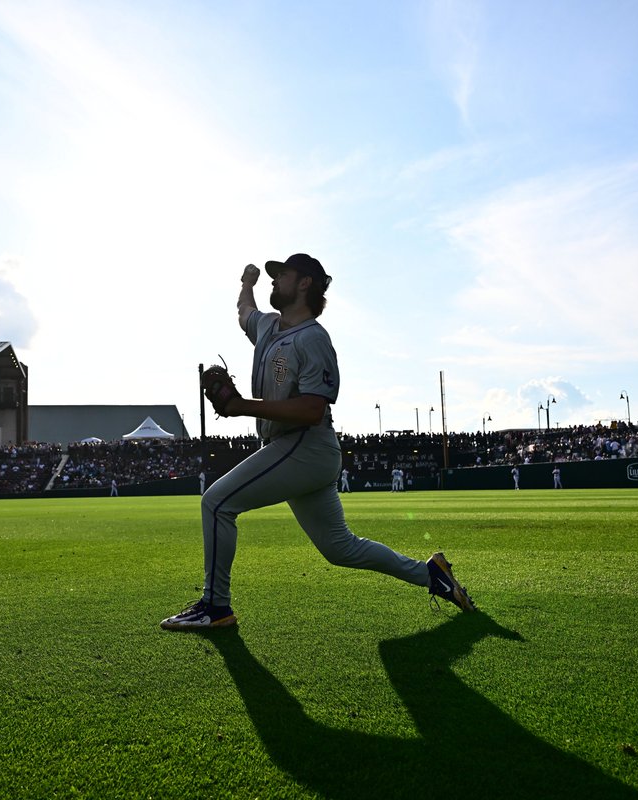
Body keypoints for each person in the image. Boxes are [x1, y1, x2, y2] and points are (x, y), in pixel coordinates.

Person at [160, 254, 475, 630]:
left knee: (216, 502)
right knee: (340, 548)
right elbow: (245, 309)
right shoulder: (267, 326)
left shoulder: (313, 338)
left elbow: (311, 409)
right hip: (296, 451)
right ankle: (433, 575)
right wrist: (247, 282)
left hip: (305, 445)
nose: (274, 280)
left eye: (282, 274)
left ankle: (215, 606)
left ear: (305, 283)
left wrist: (241, 406)